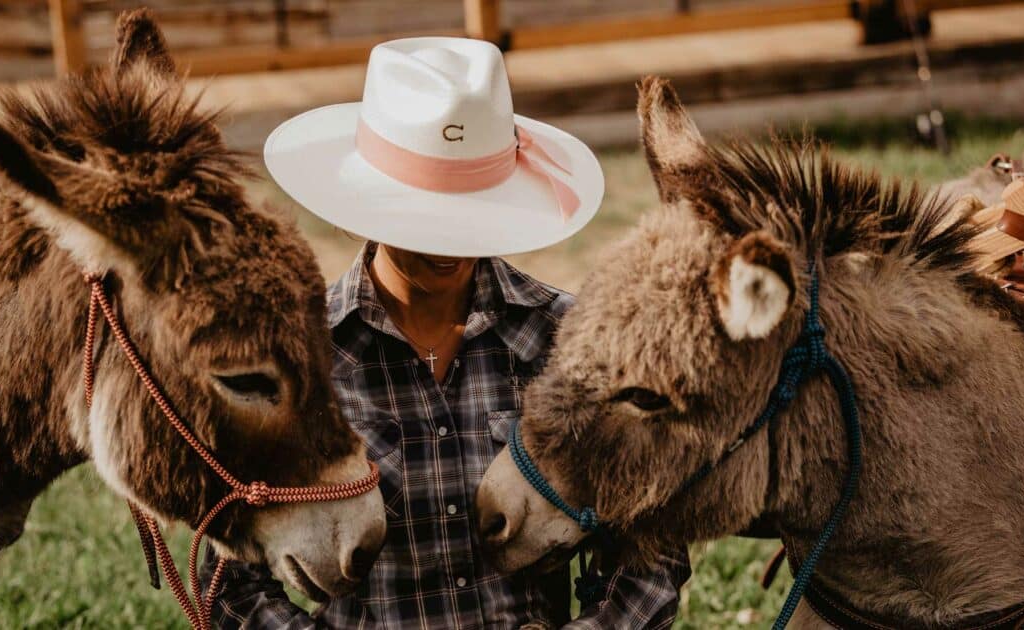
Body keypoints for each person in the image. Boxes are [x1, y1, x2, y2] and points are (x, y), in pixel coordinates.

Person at [202, 36, 690, 629]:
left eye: (471, 209)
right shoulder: (305, 360)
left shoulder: (564, 340)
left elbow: (650, 549)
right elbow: (231, 581)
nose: (449, 244)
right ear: (370, 203)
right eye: (424, 215)